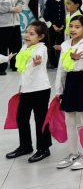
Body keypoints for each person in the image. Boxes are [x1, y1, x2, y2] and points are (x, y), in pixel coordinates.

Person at [4, 21, 51, 162]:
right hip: (26, 89)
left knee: (40, 119)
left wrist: (37, 63)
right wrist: (21, 86)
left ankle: (44, 148)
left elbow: (38, 59)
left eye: (32, 34)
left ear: (40, 37)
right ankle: (25, 146)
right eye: (26, 32)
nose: (27, 36)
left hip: (40, 89)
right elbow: (23, 70)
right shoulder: (24, 47)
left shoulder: (41, 48)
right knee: (21, 117)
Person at [54, 15, 83, 170]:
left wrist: (73, 55)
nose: (73, 29)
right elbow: (61, 68)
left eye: (77, 27)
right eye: (71, 26)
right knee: (69, 119)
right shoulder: (65, 44)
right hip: (70, 81)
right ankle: (73, 153)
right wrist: (59, 89)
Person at [0, 0, 24, 75]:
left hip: (15, 23)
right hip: (3, 25)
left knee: (16, 46)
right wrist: (13, 9)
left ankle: (15, 66)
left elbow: (20, 1)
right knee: (2, 47)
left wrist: (19, 6)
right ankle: (1, 68)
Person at [43, 0, 66, 68]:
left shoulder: (65, 1)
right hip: (52, 26)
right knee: (51, 44)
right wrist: (53, 25)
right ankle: (53, 62)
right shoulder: (49, 2)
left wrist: (63, 26)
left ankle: (62, 62)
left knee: (63, 44)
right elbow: (46, 16)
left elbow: (66, 15)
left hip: (64, 27)